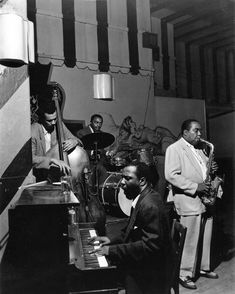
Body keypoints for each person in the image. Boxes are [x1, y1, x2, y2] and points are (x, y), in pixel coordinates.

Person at [89, 162, 173, 294]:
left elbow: (150, 246)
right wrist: (110, 240)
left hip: (153, 273)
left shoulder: (149, 205)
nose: (121, 182)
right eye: (122, 177)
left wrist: (111, 251)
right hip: (147, 262)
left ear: (142, 181)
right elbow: (131, 231)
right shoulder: (143, 198)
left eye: (127, 178)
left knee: (105, 277)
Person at [165, 119, 219, 290]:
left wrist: (212, 169)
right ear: (185, 132)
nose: (199, 134)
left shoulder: (199, 149)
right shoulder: (174, 149)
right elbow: (171, 175)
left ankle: (203, 268)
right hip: (189, 200)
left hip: (205, 199)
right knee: (189, 240)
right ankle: (184, 273)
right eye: (196, 131)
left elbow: (203, 170)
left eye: (200, 131)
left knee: (205, 236)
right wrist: (196, 187)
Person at [31, 87, 83, 182]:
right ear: (42, 119)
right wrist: (51, 160)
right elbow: (31, 159)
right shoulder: (33, 130)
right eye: (49, 121)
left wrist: (74, 141)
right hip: (41, 176)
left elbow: (79, 141)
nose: (54, 123)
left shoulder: (59, 124)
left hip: (58, 174)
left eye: (55, 118)